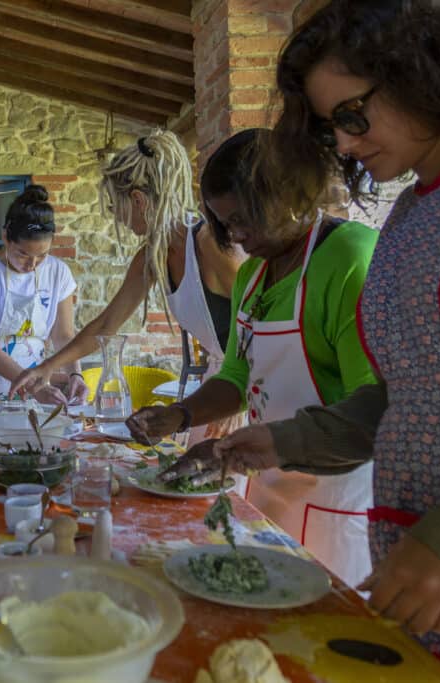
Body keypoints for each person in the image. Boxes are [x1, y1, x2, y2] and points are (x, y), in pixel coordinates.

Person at [162, 2, 440, 679]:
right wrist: (285, 439)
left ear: (419, 69)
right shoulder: (415, 207)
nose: (343, 144)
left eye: (350, 114)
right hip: (432, 576)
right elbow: (412, 398)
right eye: (329, 127)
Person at [128, 128, 379, 588]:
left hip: (334, 497)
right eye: (225, 224)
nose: (236, 236)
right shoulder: (255, 275)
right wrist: (180, 415)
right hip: (266, 486)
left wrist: (273, 442)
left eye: (245, 219)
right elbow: (239, 377)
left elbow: (376, 404)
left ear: (289, 194)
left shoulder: (349, 259)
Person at [11, 129, 244, 432]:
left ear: (138, 200)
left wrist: (235, 403)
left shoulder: (211, 245)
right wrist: (46, 368)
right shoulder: (151, 257)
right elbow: (106, 326)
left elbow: (262, 329)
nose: (117, 218)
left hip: (245, 390)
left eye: (114, 207)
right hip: (218, 389)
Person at [0, 185, 81, 404]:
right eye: (23, 254)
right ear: (6, 237)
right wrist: (33, 386)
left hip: (37, 380)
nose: (32, 264)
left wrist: (75, 374)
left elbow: (63, 335)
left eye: (42, 255)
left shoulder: (59, 272)